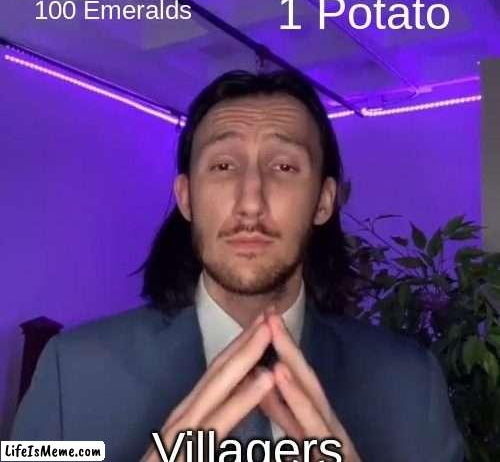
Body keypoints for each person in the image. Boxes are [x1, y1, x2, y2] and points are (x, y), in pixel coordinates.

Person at [11, 69, 464, 462]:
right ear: (186, 198)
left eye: (284, 167)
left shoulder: (411, 384)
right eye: (224, 166)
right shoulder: (72, 372)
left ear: (324, 202)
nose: (250, 201)